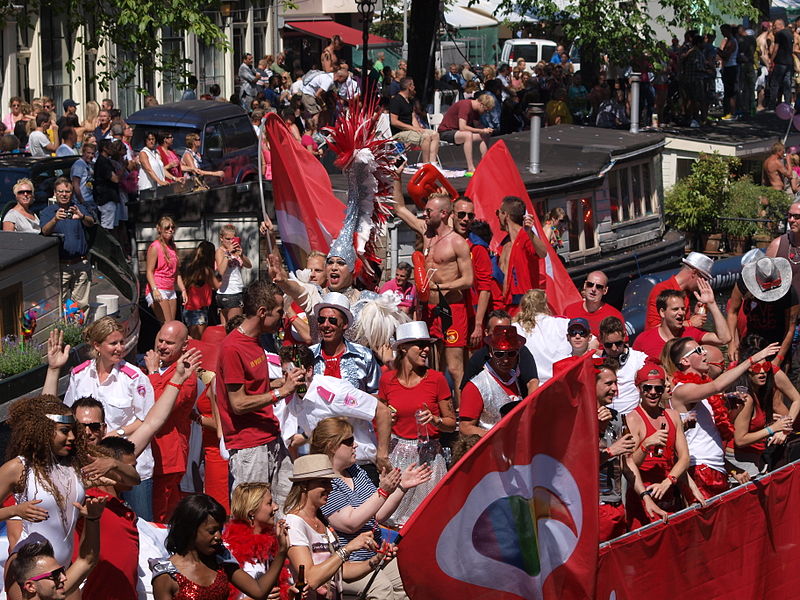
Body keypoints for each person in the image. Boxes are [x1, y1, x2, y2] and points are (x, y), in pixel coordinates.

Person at [314, 417, 430, 599]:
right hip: (347, 562)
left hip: (373, 554)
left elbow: (377, 515)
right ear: (332, 446)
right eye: (350, 441)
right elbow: (350, 523)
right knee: (382, 589)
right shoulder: (324, 482)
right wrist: (383, 492)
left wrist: (402, 487)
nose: (356, 445)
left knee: (410, 582)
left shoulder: (355, 471)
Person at [215, 280, 304, 505]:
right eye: (278, 312)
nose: (282, 318)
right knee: (252, 517)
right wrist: (281, 392)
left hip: (270, 438)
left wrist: (280, 383)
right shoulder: (233, 347)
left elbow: (254, 387)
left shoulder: (254, 341)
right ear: (262, 312)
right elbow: (238, 403)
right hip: (249, 447)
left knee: (286, 509)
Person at [64, 317, 157, 520]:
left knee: (141, 524)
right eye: (113, 343)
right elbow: (68, 416)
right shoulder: (79, 376)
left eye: (121, 342)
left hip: (132, 465)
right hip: (91, 467)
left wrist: (118, 433)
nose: (119, 348)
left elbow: (148, 420)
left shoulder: (134, 377)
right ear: (97, 345)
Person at [392, 176, 473, 404]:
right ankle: (439, 409)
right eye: (425, 210)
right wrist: (397, 177)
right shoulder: (425, 232)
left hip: (452, 309)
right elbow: (399, 208)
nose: (424, 214)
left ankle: (463, 415)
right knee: (431, 365)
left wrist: (442, 286)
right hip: (429, 309)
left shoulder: (457, 241)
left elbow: (468, 280)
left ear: (444, 213)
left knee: (455, 367)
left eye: (429, 211)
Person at [668, 338, 781, 499]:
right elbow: (717, 386)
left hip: (716, 469)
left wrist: (731, 470)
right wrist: (751, 360)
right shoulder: (682, 390)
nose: (705, 353)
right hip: (700, 470)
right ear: (685, 361)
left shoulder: (702, 392)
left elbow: (709, 438)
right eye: (699, 351)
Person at [378, 321, 456, 526]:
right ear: (403, 347)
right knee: (391, 520)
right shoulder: (387, 380)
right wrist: (387, 421)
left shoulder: (437, 379)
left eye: (427, 345)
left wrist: (436, 420)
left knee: (429, 519)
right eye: (419, 345)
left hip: (428, 459)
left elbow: (451, 423)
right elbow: (379, 418)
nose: (426, 349)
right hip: (397, 457)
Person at [283, 455, 392, 600]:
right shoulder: (294, 522)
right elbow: (310, 579)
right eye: (323, 482)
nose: (330, 487)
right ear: (304, 485)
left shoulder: (321, 520)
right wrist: (348, 549)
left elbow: (341, 570)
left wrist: (376, 560)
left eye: (330, 482)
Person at [281, 344, 392, 480]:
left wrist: (382, 455)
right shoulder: (292, 398)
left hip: (359, 467)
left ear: (308, 371)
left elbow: (382, 411)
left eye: (292, 372)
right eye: (284, 373)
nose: (287, 379)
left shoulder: (334, 393)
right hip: (328, 470)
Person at [151, 494, 293, 600]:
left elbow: (259, 591)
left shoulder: (221, 559)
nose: (219, 537)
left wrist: (282, 551)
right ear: (190, 530)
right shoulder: (166, 575)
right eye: (212, 531)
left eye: (220, 530)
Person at [624, 365, 693, 529]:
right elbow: (629, 464)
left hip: (668, 492)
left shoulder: (672, 415)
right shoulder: (633, 419)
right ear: (639, 388)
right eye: (647, 387)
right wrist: (646, 445)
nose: (653, 392)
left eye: (658, 388)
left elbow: (684, 458)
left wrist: (668, 482)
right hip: (643, 498)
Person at [143, 321, 199, 523]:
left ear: (184, 346)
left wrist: (152, 374)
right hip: (151, 457)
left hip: (168, 459)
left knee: (161, 517)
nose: (162, 346)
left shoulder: (187, 375)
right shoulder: (160, 368)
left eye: (169, 343)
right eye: (160, 340)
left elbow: (157, 405)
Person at [726, 335, 800, 476]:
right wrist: (773, 429)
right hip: (740, 459)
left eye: (765, 365)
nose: (762, 371)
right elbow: (740, 439)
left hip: (756, 456)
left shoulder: (770, 375)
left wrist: (783, 427)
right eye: (756, 366)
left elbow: (797, 399)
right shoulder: (744, 394)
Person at [12, 503, 105, 600]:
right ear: (31, 586)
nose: (64, 578)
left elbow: (87, 560)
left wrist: (92, 519)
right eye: (55, 575)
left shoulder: (52, 590)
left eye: (62, 571)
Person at [223, 483, 292, 600]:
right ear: (252, 513)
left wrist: (290, 593)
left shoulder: (273, 543)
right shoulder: (227, 549)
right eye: (269, 503)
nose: (276, 507)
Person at [726, 256, 797, 364]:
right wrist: (732, 343)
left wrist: (779, 359)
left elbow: (790, 329)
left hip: (777, 343)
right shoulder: (743, 284)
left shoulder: (790, 293)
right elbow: (732, 312)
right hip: (750, 340)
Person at [460, 325, 528, 437]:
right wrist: (494, 437)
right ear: (491, 352)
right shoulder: (476, 386)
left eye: (511, 353)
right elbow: (465, 427)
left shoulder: (519, 379)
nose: (505, 359)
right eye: (499, 354)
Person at [39, 177, 95, 311]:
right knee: (58, 306)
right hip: (59, 267)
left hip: (81, 264)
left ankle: (78, 331)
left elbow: (91, 222)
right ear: (55, 193)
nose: (64, 194)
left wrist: (82, 216)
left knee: (81, 306)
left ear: (72, 193)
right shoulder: (47, 212)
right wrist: (55, 219)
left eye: (67, 191)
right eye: (61, 191)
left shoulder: (78, 208)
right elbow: (45, 231)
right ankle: (63, 330)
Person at [595, 358, 636, 542]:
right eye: (608, 383)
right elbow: (578, 467)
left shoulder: (617, 417)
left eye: (616, 383)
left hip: (616, 504)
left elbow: (627, 463)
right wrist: (611, 450)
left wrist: (646, 497)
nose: (615, 389)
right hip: (594, 506)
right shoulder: (578, 419)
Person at [634, 287, 731, 362]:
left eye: (683, 309)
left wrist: (712, 304)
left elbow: (724, 339)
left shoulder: (690, 333)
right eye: (675, 309)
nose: (681, 313)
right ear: (662, 312)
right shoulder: (643, 339)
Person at [462, 310, 539, 396]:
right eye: (499, 354)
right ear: (487, 333)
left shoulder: (521, 352)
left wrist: (529, 406)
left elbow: (532, 382)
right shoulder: (478, 359)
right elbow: (466, 391)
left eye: (511, 354)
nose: (503, 335)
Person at [497, 196, 549, 314]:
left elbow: (543, 252)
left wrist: (530, 232)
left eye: (498, 213)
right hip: (504, 307)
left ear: (505, 215)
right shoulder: (504, 244)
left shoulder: (526, 237)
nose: (497, 217)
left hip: (524, 307)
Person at [513, 290, 571, 384]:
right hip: (562, 383)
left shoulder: (515, 328)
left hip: (532, 387)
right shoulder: (563, 323)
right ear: (545, 305)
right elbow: (593, 342)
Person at [645, 253, 712, 330]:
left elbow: (680, 323)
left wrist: (696, 314)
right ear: (694, 273)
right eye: (704, 278)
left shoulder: (686, 292)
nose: (705, 283)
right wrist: (690, 323)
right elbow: (653, 328)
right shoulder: (661, 289)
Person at [436, 95, 495, 174]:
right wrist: (482, 130)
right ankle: (470, 167)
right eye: (485, 110)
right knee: (468, 135)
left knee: (484, 135)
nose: (485, 113)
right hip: (446, 132)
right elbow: (462, 127)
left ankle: (485, 163)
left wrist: (486, 130)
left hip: (457, 132)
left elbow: (477, 125)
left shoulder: (476, 111)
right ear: (481, 105)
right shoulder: (465, 106)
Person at [389, 78, 440, 165]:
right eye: (413, 85)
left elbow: (413, 118)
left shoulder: (409, 101)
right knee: (425, 137)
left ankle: (433, 163)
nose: (414, 87)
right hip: (399, 132)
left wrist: (418, 129)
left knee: (435, 134)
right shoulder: (396, 100)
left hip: (410, 130)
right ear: (409, 87)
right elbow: (394, 121)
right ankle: (426, 164)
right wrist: (413, 129)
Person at [145, 216, 186, 324]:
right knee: (166, 326)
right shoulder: (155, 247)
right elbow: (149, 271)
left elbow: (177, 273)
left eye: (172, 227)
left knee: (170, 325)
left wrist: (183, 290)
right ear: (159, 229)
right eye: (167, 227)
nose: (170, 230)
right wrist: (154, 289)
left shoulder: (172, 247)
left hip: (170, 289)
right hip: (158, 288)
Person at [564, 271, 625, 337]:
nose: (593, 289)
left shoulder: (614, 315)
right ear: (585, 285)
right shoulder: (569, 311)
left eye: (599, 287)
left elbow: (622, 344)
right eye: (590, 284)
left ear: (605, 290)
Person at [181, 240, 220, 340]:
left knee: (192, 338)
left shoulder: (191, 267)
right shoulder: (206, 270)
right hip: (198, 310)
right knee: (197, 341)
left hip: (189, 309)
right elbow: (217, 286)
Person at [216, 223, 252, 325]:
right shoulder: (220, 251)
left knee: (229, 328)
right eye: (227, 239)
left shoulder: (235, 251)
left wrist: (241, 255)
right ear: (221, 238)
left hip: (236, 291)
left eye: (233, 239)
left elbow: (249, 265)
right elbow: (221, 271)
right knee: (234, 328)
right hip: (229, 292)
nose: (230, 241)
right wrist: (228, 253)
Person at [93, 138, 120, 231]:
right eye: (111, 147)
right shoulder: (103, 163)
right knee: (106, 227)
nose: (113, 149)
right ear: (104, 148)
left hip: (107, 197)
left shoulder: (105, 161)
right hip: (106, 199)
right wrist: (122, 168)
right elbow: (115, 179)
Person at [769, 18, 794, 109]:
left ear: (781, 25)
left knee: (775, 84)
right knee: (787, 84)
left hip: (780, 62)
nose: (774, 27)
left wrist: (771, 60)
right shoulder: (790, 34)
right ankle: (787, 103)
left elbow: (776, 49)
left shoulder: (779, 34)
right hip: (789, 63)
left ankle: (772, 104)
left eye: (775, 25)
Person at [70, 142, 97, 217]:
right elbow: (75, 184)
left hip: (90, 200)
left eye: (92, 153)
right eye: (88, 153)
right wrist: (81, 201)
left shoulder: (90, 165)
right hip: (82, 201)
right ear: (83, 152)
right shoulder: (79, 164)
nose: (90, 156)